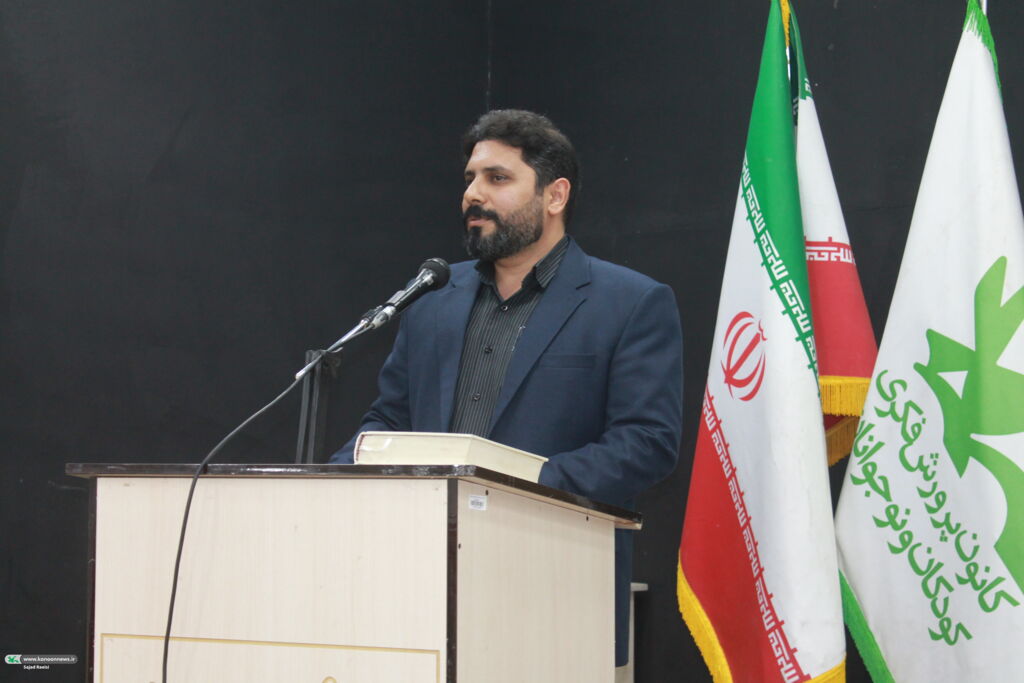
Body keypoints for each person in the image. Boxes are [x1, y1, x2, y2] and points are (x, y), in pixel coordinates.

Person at [331, 109, 683, 667]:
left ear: (555, 195)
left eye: (497, 178)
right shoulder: (431, 297)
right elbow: (390, 420)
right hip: (419, 583)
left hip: (557, 590)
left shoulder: (630, 303)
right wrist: (347, 469)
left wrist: (520, 485)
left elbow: (646, 442)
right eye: (470, 179)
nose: (474, 194)